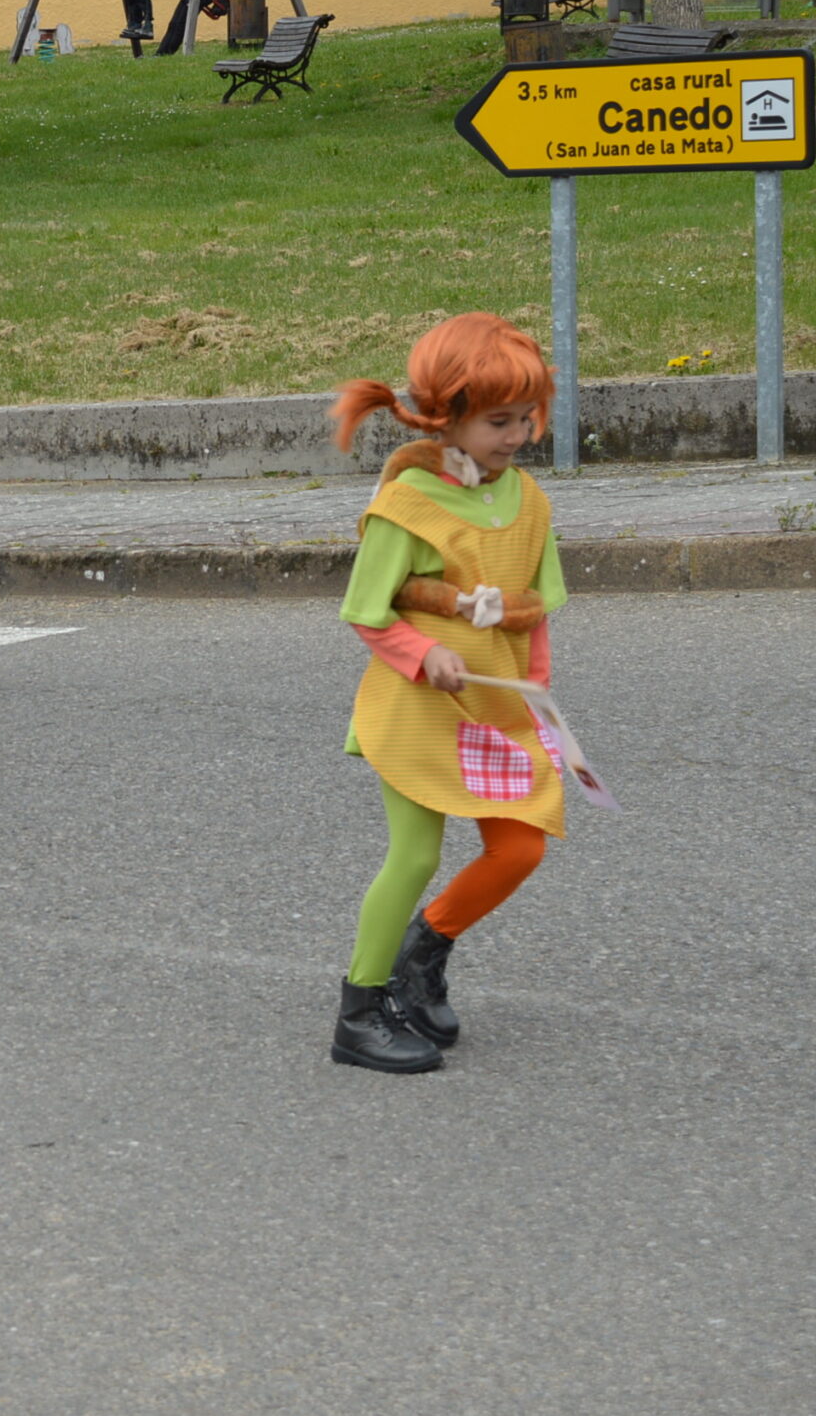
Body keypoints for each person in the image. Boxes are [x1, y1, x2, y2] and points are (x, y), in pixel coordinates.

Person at [326, 314, 570, 1073]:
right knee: (415, 853)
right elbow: (365, 611)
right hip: (416, 713)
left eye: (526, 417)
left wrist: (534, 691)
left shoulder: (526, 499)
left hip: (494, 710)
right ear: (447, 418)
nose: (519, 435)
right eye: (499, 421)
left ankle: (421, 956)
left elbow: (538, 605)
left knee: (521, 846)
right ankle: (359, 1014)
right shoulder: (408, 504)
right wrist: (423, 650)